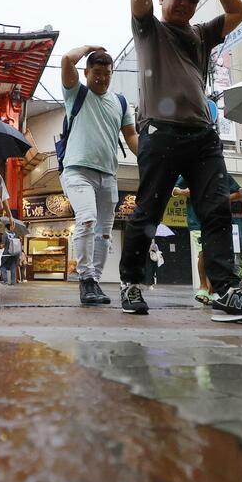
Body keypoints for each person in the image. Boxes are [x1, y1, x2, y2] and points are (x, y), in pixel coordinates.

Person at [120, 0, 242, 322]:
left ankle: (225, 292)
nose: (186, 4)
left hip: (203, 137)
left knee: (217, 211)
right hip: (159, 132)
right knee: (148, 211)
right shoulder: (149, 29)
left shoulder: (201, 34)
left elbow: (239, 10)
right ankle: (131, 283)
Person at [60, 46, 139, 305]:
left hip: (108, 175)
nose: (102, 78)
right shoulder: (76, 93)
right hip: (76, 170)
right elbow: (66, 59)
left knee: (104, 232)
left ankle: (95, 279)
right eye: (96, 72)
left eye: (107, 73)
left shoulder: (121, 102)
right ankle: (85, 280)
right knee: (86, 220)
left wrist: (147, 159)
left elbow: (131, 135)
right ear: (86, 72)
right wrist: (91, 48)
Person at [173, 173, 242, 305]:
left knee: (215, 255)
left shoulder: (220, 172)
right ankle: (203, 287)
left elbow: (238, 193)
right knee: (203, 253)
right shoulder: (189, 173)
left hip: (218, 221)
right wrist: (184, 192)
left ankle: (211, 292)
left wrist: (221, 199)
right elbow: (174, 189)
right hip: (197, 221)